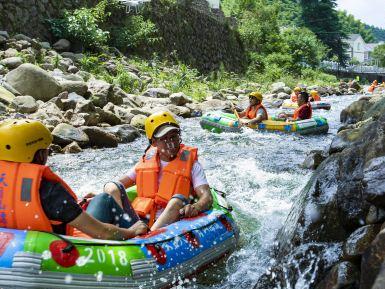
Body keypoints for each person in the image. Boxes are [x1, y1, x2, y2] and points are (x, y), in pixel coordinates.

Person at [0, 119, 147, 240]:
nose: (48, 154)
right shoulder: (49, 191)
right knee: (105, 199)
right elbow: (103, 233)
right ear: (38, 155)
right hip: (64, 251)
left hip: (15, 250)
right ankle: (144, 236)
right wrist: (132, 232)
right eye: (47, 150)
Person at [96, 111, 213, 231]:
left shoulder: (192, 165)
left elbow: (207, 197)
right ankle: (121, 227)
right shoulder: (145, 162)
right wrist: (99, 196)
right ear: (154, 142)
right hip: (139, 220)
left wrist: (196, 207)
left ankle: (150, 237)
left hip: (171, 221)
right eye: (164, 139)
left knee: (177, 200)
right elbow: (118, 185)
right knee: (111, 186)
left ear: (179, 136)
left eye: (173, 136)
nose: (171, 142)